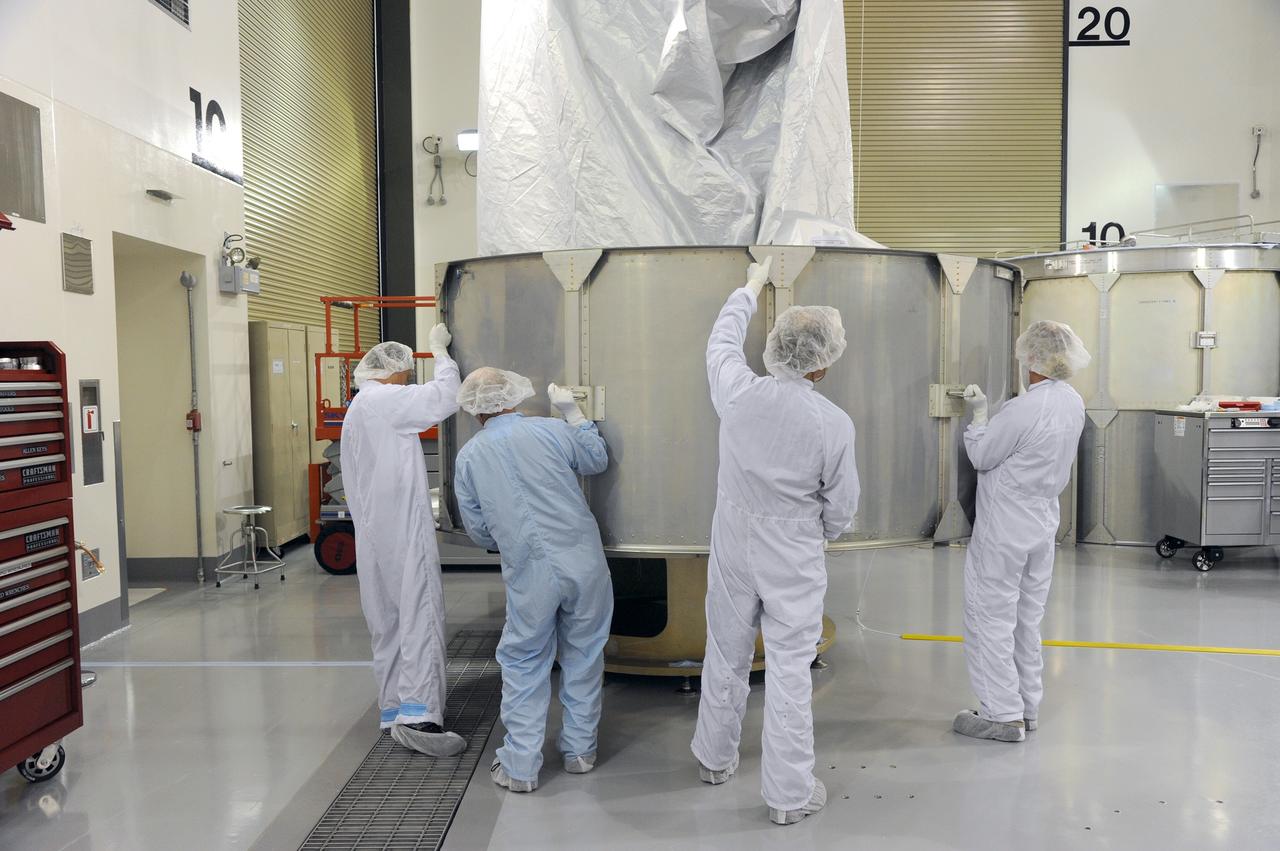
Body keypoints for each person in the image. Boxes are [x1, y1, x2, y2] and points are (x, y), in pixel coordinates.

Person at [691, 256, 860, 826]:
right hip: (794, 553)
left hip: (734, 540)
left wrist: (748, 289)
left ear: (777, 349)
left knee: (727, 649)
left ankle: (714, 759)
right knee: (790, 667)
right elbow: (842, 505)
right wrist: (817, 535)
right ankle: (788, 796)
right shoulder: (832, 423)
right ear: (823, 363)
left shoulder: (738, 393)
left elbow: (719, 345)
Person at [452, 368, 614, 793]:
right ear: (514, 395)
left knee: (524, 660)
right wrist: (574, 414)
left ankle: (521, 766)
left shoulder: (468, 457)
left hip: (529, 571)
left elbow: (478, 529)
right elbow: (596, 461)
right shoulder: (550, 431)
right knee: (585, 652)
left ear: (473, 408)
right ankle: (580, 752)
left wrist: (514, 536)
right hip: (584, 561)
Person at [954, 320, 1089, 743]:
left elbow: (983, 455)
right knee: (1026, 618)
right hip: (1042, 522)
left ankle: (1001, 715)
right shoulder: (1073, 402)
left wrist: (978, 418)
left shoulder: (1024, 407)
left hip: (1004, 527)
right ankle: (1026, 706)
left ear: (1031, 358)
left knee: (990, 614)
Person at [340, 328, 467, 757]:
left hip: (374, 531)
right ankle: (420, 716)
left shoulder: (359, 406)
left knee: (388, 619)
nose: (410, 380)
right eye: (409, 373)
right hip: (401, 528)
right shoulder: (384, 401)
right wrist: (442, 353)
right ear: (393, 373)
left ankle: (394, 708)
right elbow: (447, 395)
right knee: (419, 612)